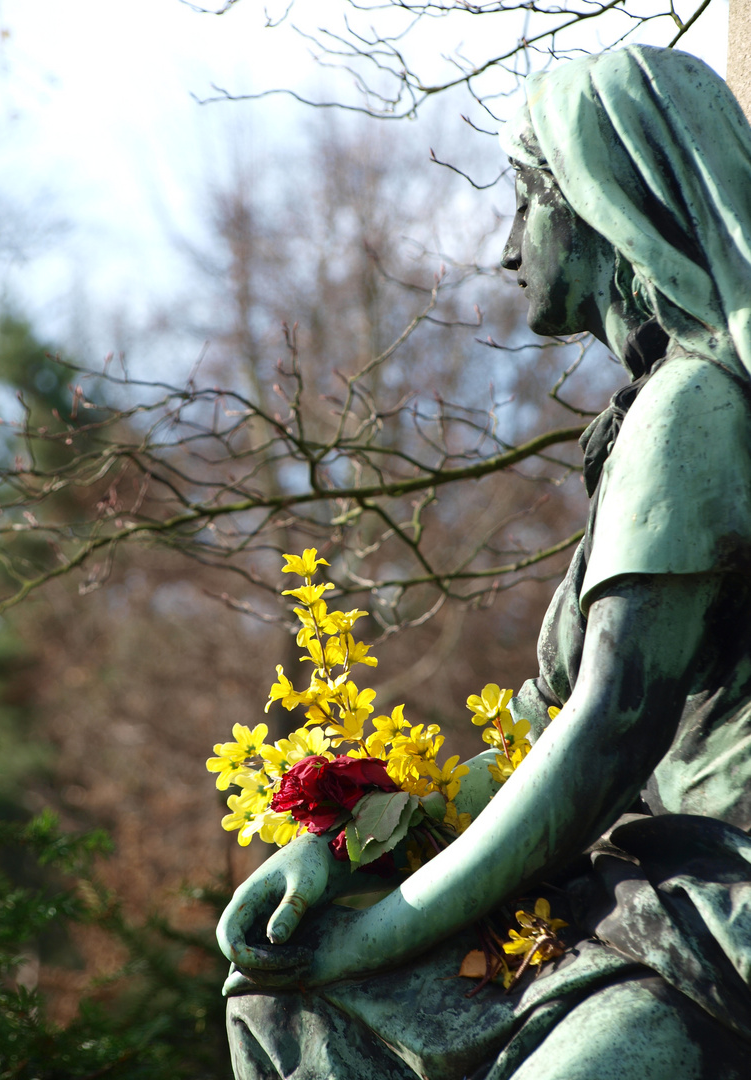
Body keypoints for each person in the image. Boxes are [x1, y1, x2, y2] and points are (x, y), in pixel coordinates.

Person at [216, 46, 751, 1079]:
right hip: (646, 888)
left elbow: (607, 731)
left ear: (604, 209)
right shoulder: (652, 418)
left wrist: (382, 928)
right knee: (284, 994)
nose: (506, 247)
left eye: (525, 202)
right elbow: (542, 734)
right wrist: (337, 853)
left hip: (712, 895)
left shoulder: (695, 411)